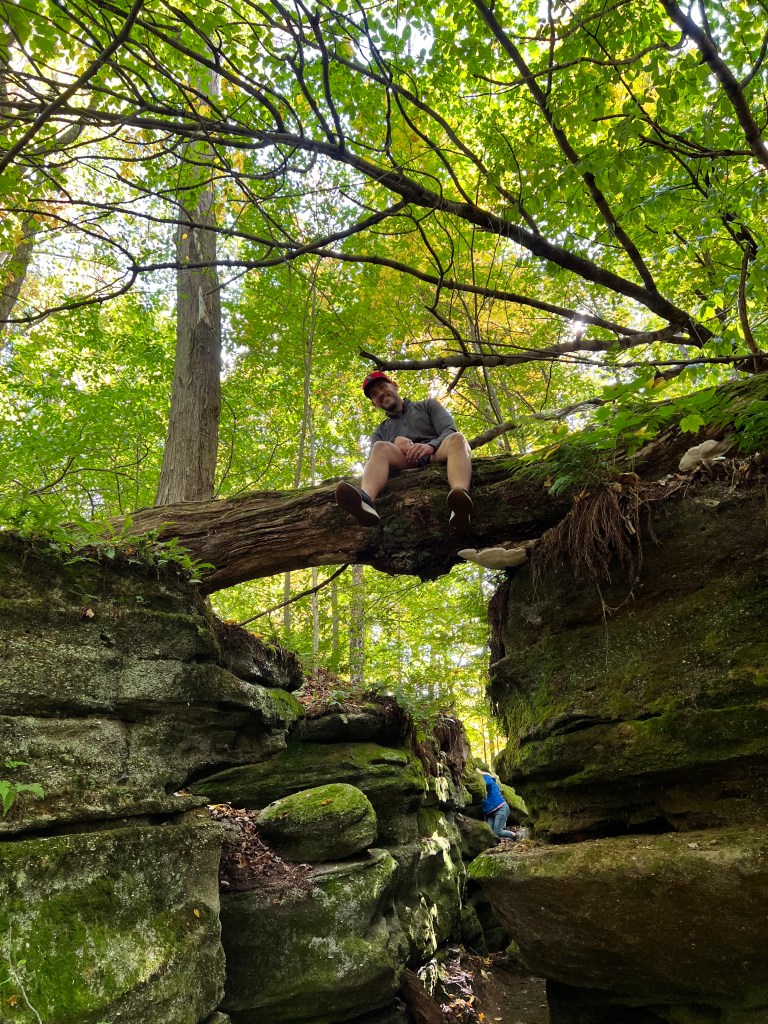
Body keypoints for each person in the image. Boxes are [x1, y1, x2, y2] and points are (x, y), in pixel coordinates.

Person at [335, 371, 473, 529]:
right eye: (374, 394)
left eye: (382, 386)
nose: (380, 393)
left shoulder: (427, 405)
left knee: (457, 438)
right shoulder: (380, 431)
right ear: (374, 404)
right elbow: (373, 461)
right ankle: (365, 501)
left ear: (394, 386)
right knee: (379, 447)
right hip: (406, 460)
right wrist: (394, 440)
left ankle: (460, 499)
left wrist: (430, 446)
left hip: (437, 453)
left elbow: (449, 429)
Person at [480, 768, 519, 840]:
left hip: (501, 808)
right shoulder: (488, 783)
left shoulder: (489, 780)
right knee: (489, 832)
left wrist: (482, 773)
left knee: (498, 832)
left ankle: (515, 835)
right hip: (491, 813)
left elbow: (488, 782)